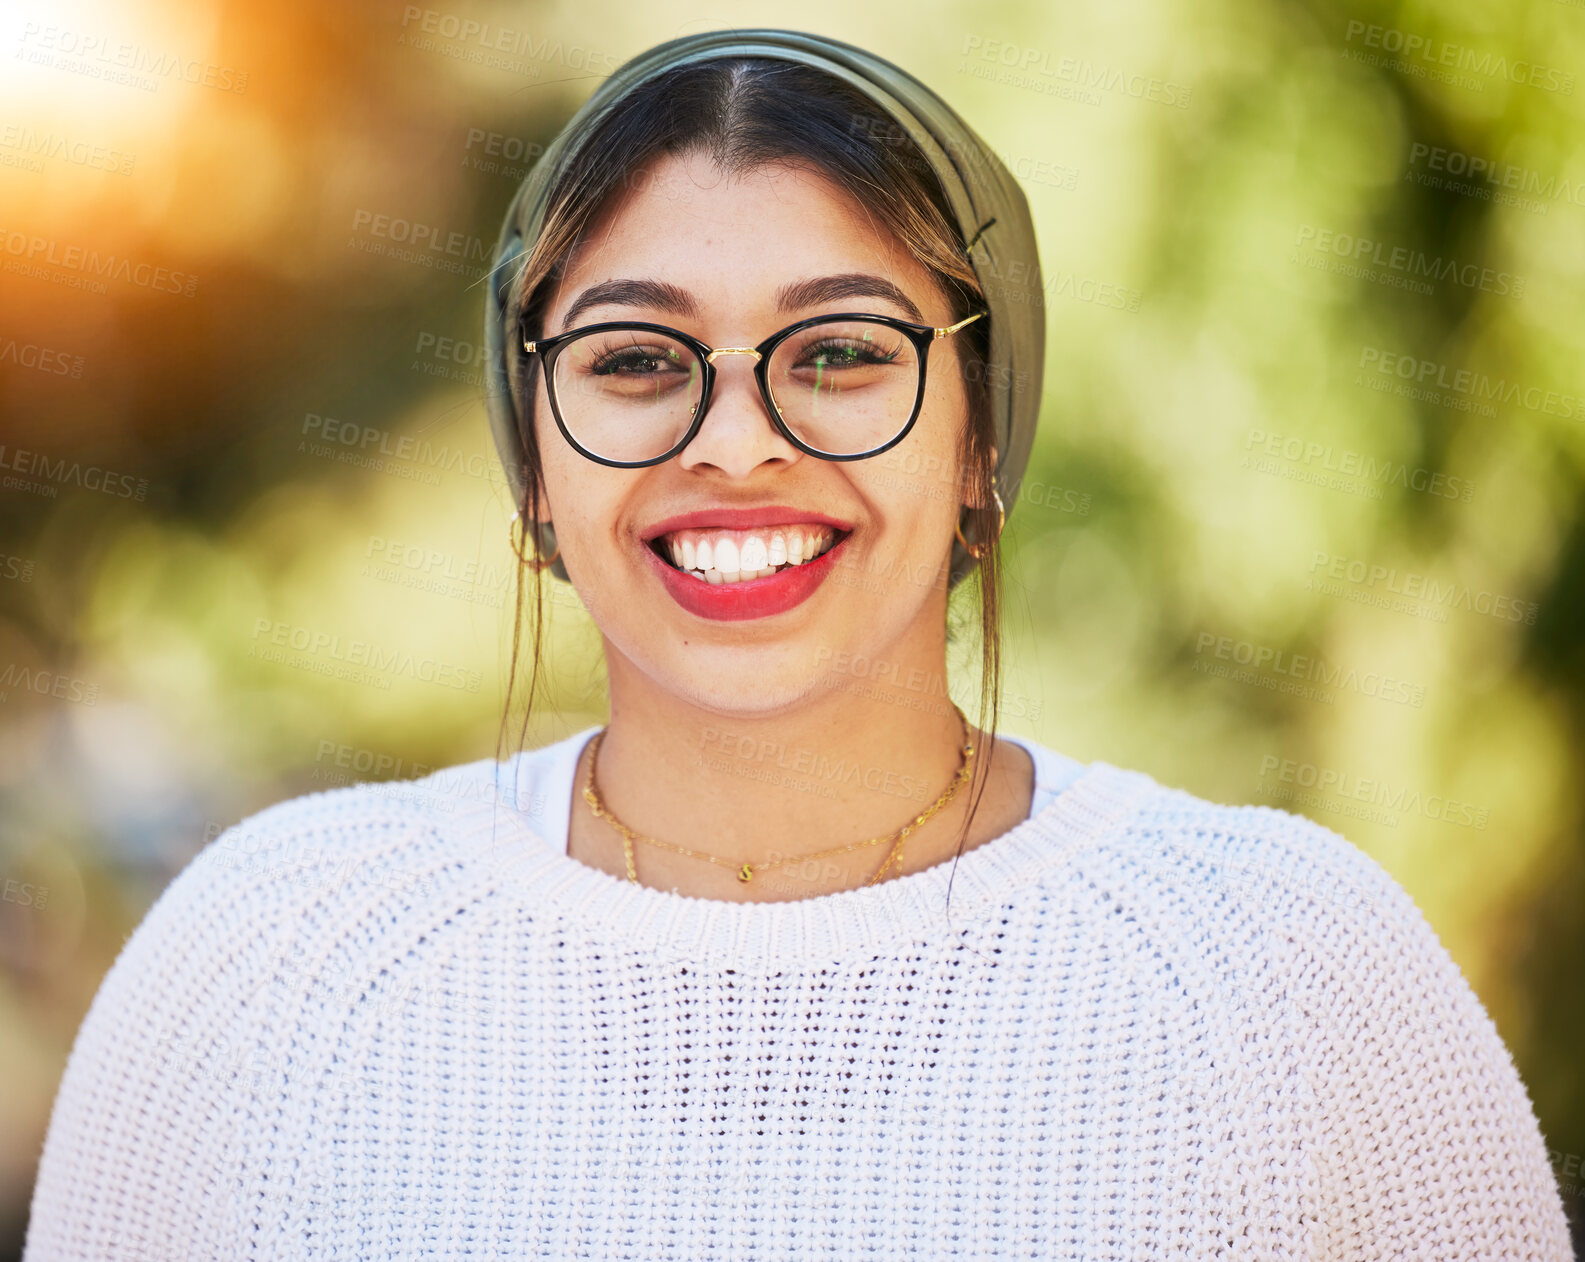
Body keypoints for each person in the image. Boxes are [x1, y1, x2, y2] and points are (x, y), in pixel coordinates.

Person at [23, 29, 1571, 1261]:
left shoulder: (1280, 972)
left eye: (838, 350)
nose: (736, 443)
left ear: (980, 433)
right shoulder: (275, 964)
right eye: (636, 358)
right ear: (533, 460)